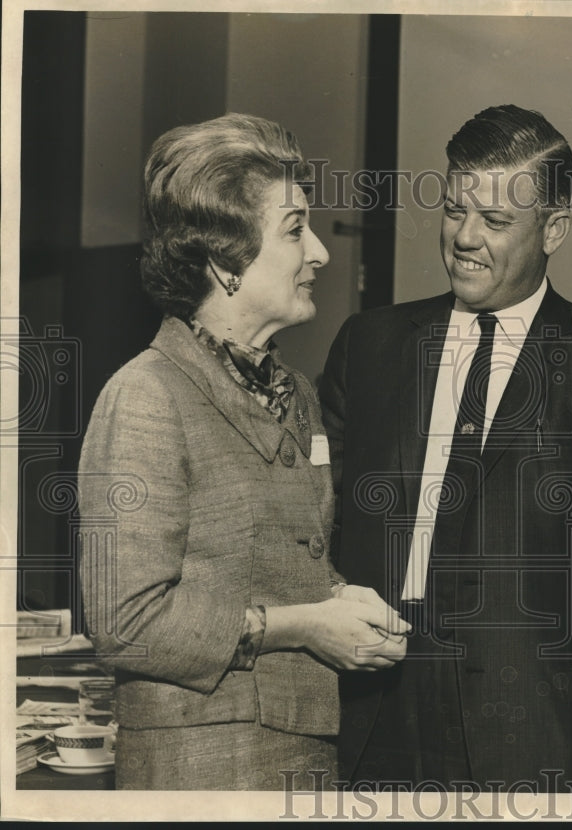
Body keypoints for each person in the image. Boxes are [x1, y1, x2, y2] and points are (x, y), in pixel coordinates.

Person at [319, 104, 572, 791]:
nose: (464, 238)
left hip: (535, 731)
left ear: (554, 229)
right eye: (453, 210)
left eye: (496, 222)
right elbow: (315, 526)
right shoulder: (370, 344)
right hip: (375, 713)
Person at [78, 113, 410, 791]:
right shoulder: (145, 396)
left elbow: (282, 562)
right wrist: (308, 626)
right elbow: (123, 621)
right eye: (295, 230)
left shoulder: (297, 393)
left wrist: (347, 603)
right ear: (226, 261)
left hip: (304, 765)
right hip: (201, 779)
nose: (319, 252)